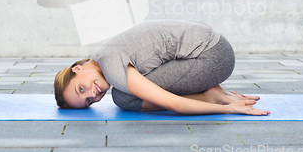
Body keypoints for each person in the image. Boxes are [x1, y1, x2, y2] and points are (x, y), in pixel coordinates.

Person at [54, 19, 270, 115]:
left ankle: (209, 95)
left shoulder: (111, 65)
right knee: (125, 92)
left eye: (81, 89)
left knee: (123, 98)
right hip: (214, 45)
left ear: (77, 69)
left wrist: (227, 108)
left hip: (213, 58)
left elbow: (175, 104)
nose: (93, 95)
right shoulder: (102, 53)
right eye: (89, 102)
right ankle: (211, 90)